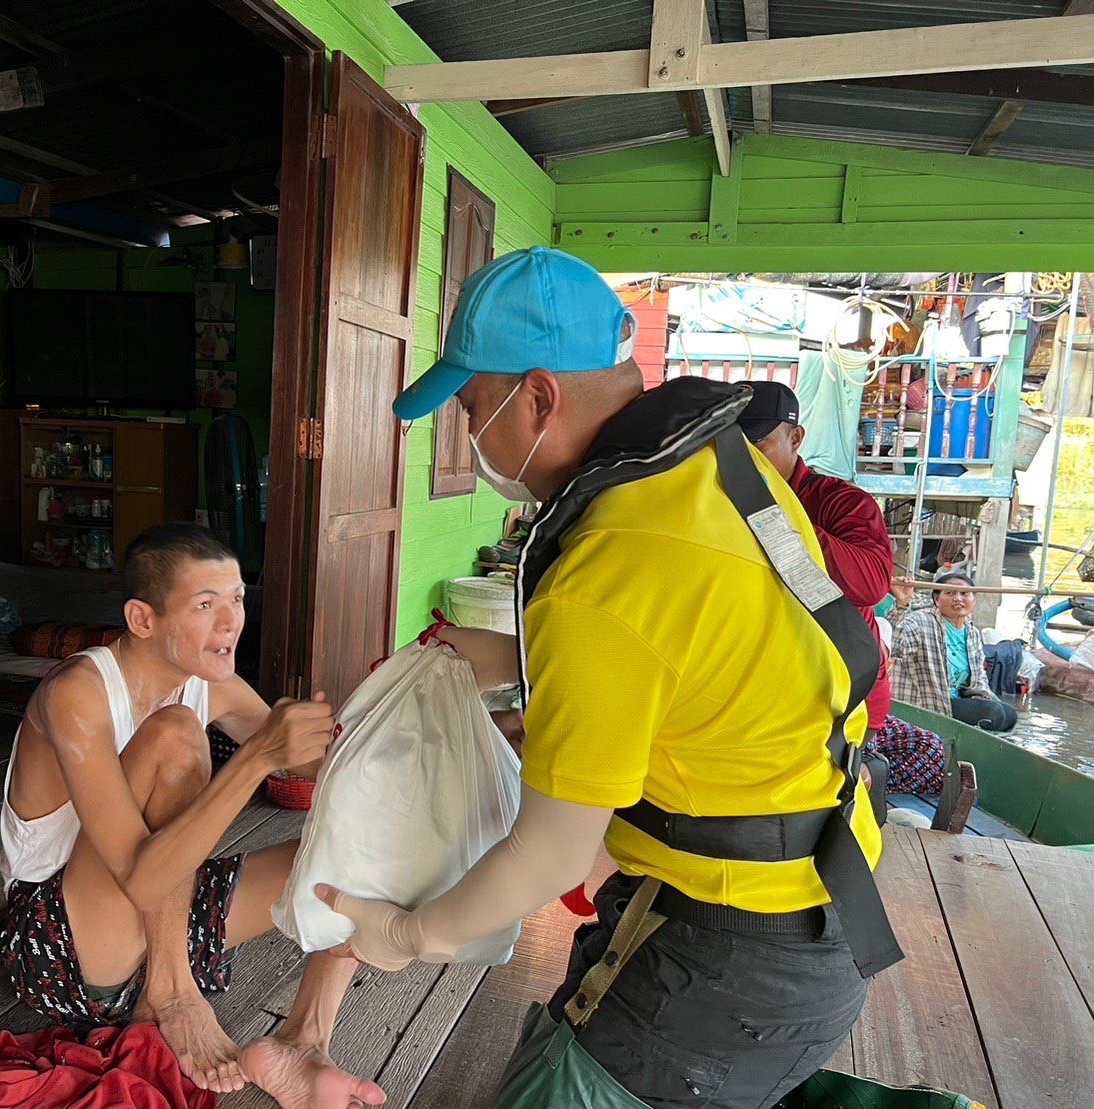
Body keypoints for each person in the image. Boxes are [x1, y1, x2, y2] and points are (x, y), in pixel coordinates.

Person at [319, 247, 896, 1109]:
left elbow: (546, 850)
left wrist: (405, 934)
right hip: (824, 920)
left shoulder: (604, 567)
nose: (466, 435)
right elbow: (704, 647)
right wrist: (510, 661)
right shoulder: (717, 475)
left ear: (539, 396)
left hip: (711, 964)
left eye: (473, 408)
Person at [0, 523, 385, 1109]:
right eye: (206, 604)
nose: (231, 622)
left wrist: (422, 736)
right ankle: (173, 994)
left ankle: (304, 1043)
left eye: (236, 599)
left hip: (168, 919)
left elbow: (328, 768)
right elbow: (139, 876)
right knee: (176, 734)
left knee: (365, 855)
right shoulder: (78, 692)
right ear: (142, 620)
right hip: (65, 946)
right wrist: (255, 759)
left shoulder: (214, 684)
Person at [740, 381, 896, 767]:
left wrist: (775, 523)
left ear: (795, 438)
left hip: (842, 698)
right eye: (732, 446)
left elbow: (872, 582)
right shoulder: (720, 500)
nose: (743, 459)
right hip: (764, 689)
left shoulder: (843, 503)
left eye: (757, 446)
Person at [887, 569, 1018, 732]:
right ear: (936, 599)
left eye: (965, 593)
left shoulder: (972, 633)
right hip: (929, 705)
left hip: (958, 701)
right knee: (994, 713)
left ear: (974, 599)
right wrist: (902, 605)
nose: (958, 598)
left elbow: (979, 678)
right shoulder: (920, 621)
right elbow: (893, 647)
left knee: (1010, 714)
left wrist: (985, 698)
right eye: (949, 593)